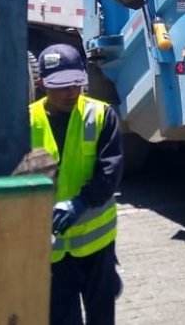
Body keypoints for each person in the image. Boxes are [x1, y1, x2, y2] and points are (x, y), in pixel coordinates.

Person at [30, 44, 124, 325]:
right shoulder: (27, 120)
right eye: (61, 86)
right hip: (52, 248)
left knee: (101, 315)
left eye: (75, 83)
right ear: (42, 83)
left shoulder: (101, 115)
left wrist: (81, 202)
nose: (70, 92)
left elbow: (110, 171)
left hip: (97, 243)